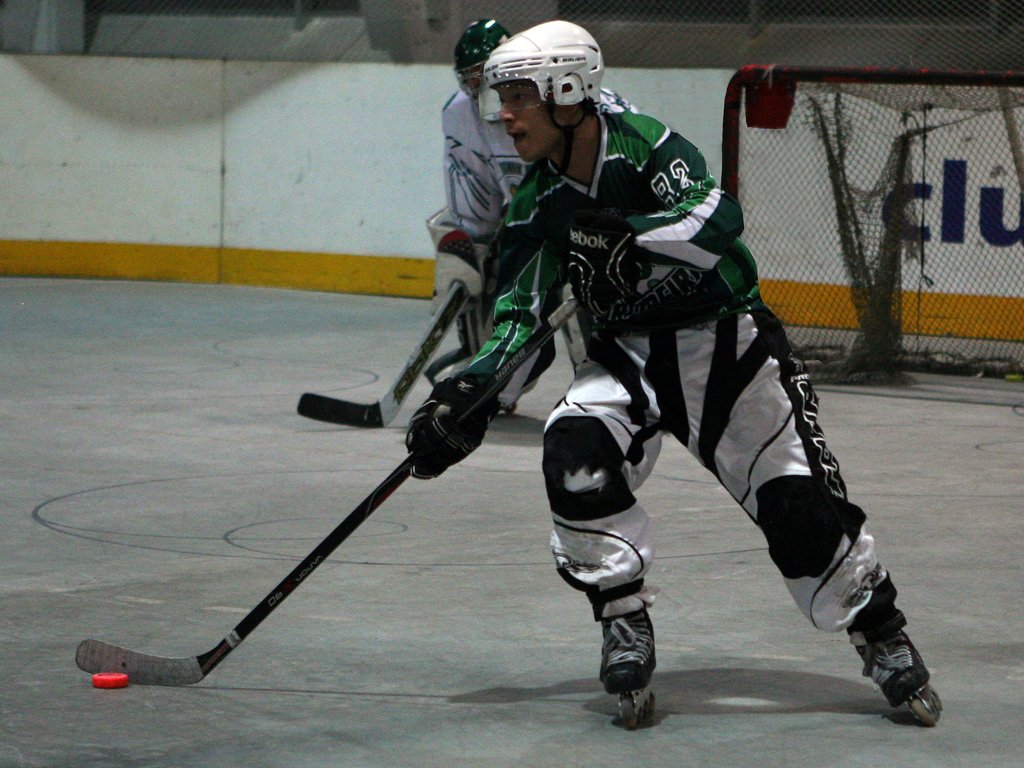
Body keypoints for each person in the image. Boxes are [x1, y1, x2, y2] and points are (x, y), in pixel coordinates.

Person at [405, 19, 942, 728]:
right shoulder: (537, 200)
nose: (503, 115)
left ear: (567, 93)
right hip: (626, 352)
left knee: (798, 511)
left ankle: (879, 631)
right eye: (499, 99)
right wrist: (470, 390)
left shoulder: (644, 143)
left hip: (726, 344)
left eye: (518, 98)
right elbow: (519, 311)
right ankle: (622, 614)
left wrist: (633, 241)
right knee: (572, 453)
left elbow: (719, 217)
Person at [426, 18, 635, 413]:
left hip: (599, 227)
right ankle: (491, 378)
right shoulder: (461, 114)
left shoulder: (589, 107)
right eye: (471, 79)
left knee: (592, 288)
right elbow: (477, 209)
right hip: (533, 224)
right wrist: (469, 242)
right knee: (469, 258)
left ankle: (612, 380)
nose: (479, 90)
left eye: (485, 77)